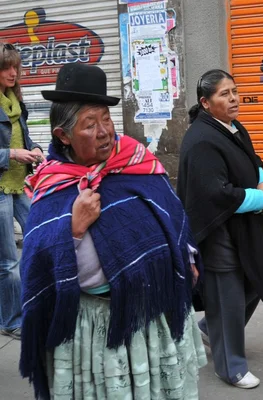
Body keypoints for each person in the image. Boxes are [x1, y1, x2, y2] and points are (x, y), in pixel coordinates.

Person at [19, 63, 207, 399]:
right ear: (63, 136)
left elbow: (171, 214)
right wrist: (72, 229)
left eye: (106, 118)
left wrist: (186, 256)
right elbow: (36, 265)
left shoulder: (136, 161)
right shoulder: (52, 186)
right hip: (93, 326)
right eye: (89, 125)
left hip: (149, 313)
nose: (104, 131)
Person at [177, 69, 263, 389]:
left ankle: (210, 327)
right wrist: (260, 198)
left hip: (245, 226)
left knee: (258, 278)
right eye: (224, 94)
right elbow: (215, 194)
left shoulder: (233, 128)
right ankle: (231, 366)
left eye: (234, 91)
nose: (234, 98)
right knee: (228, 294)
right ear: (206, 103)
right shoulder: (201, 140)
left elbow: (253, 160)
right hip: (218, 229)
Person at [0, 41, 44, 340]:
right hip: (2, 187)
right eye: (6, 67)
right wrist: (12, 154)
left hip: (20, 185)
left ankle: (31, 305)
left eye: (16, 66)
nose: (13, 72)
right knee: (8, 262)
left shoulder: (15, 102)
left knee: (40, 239)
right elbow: (12, 148)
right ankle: (11, 321)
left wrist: (35, 148)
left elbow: (24, 137)